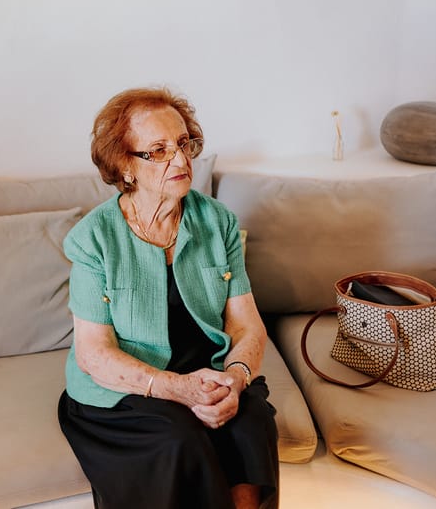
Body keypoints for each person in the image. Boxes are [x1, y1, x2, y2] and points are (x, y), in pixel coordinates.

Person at [58, 87, 279, 509]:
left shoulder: (218, 222)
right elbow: (93, 354)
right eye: (157, 151)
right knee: (181, 440)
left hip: (208, 371)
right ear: (126, 165)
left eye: (182, 144)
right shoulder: (93, 239)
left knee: (252, 424)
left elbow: (246, 324)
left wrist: (234, 378)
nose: (180, 160)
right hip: (127, 389)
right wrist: (178, 388)